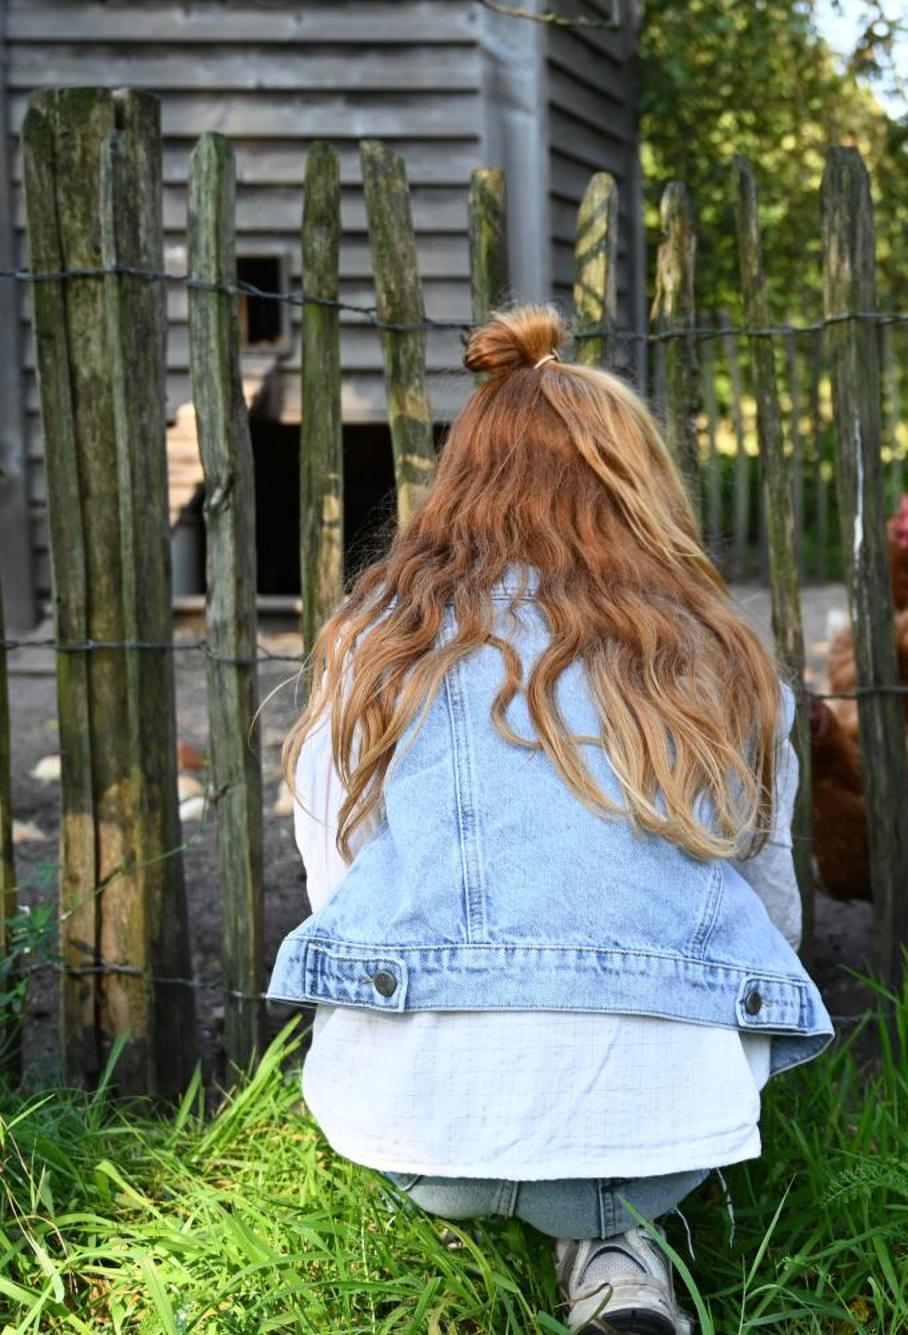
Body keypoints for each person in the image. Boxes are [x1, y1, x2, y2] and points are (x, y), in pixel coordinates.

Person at [267, 306, 829, 1334]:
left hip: (410, 1131)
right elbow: (771, 904)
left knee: (448, 1132)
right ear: (640, 486)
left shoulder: (377, 640)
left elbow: (331, 869)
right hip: (674, 1139)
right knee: (637, 1136)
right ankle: (616, 1247)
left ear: (461, 482)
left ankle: (475, 1199)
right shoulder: (716, 653)